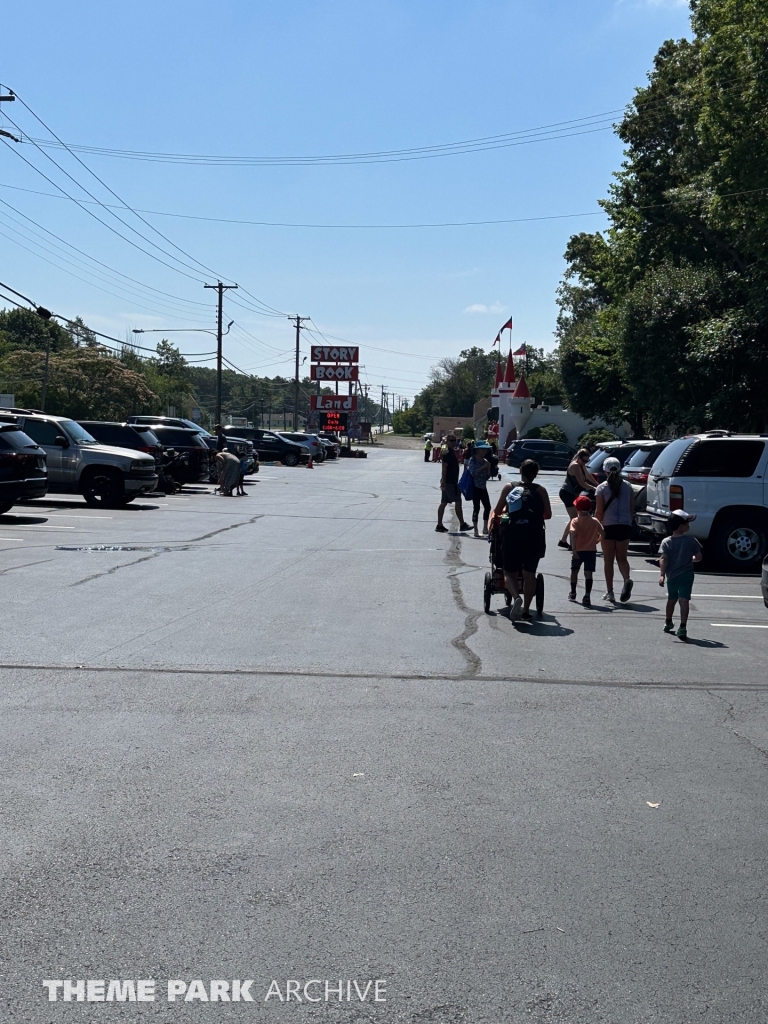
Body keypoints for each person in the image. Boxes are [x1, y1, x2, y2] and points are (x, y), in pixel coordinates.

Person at [492, 459, 552, 620]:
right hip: (534, 536)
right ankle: (526, 610)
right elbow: (548, 515)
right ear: (536, 474)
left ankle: (516, 597)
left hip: (512, 535)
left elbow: (497, 511)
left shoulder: (509, 487)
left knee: (509, 572)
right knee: (529, 573)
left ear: (520, 471)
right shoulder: (540, 490)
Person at [595, 456, 635, 603]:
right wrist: (629, 522)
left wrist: (596, 529)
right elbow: (632, 508)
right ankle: (626, 580)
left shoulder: (601, 488)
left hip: (608, 525)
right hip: (624, 525)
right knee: (622, 558)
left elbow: (599, 512)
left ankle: (610, 591)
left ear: (604, 471)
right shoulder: (628, 486)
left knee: (608, 560)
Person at [658, 510, 702, 640]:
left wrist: (662, 575)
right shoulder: (691, 540)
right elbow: (698, 557)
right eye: (687, 523)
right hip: (687, 575)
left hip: (672, 576)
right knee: (684, 600)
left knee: (671, 600)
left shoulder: (666, 541)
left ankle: (668, 622)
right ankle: (682, 627)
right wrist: (691, 559)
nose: (689, 525)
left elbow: (663, 559)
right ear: (682, 526)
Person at [569, 494, 604, 607]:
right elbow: (603, 533)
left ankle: (573, 592)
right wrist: (597, 540)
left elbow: (573, 534)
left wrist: (573, 550)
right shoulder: (594, 521)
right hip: (591, 550)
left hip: (578, 550)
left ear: (577, 509)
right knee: (588, 573)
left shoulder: (575, 521)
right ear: (590, 508)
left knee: (574, 571)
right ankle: (587, 595)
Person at [559, 448, 598, 548]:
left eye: (587, 460)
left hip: (573, 494)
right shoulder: (575, 465)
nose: (585, 462)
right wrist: (594, 488)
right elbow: (582, 483)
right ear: (579, 458)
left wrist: (597, 484)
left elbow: (588, 475)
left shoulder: (581, 464)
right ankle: (572, 544)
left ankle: (563, 541)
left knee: (574, 518)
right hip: (567, 493)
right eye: (584, 460)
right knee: (574, 519)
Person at [436, 435, 471, 533]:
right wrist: (443, 480)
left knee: (444, 503)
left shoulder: (450, 452)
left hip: (451, 481)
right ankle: (462, 524)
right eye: (451, 440)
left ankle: (439, 525)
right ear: (447, 442)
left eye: (455, 440)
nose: (453, 442)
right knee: (458, 501)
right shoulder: (447, 453)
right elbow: (444, 467)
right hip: (450, 482)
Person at [466, 440, 493, 536]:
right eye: (483, 450)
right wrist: (483, 467)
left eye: (485, 450)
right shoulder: (472, 460)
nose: (484, 452)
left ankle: (485, 528)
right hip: (475, 487)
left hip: (483, 487)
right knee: (476, 508)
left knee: (487, 507)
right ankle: (476, 530)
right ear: (478, 450)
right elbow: (473, 472)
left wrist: (488, 468)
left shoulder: (485, 461)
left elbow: (487, 476)